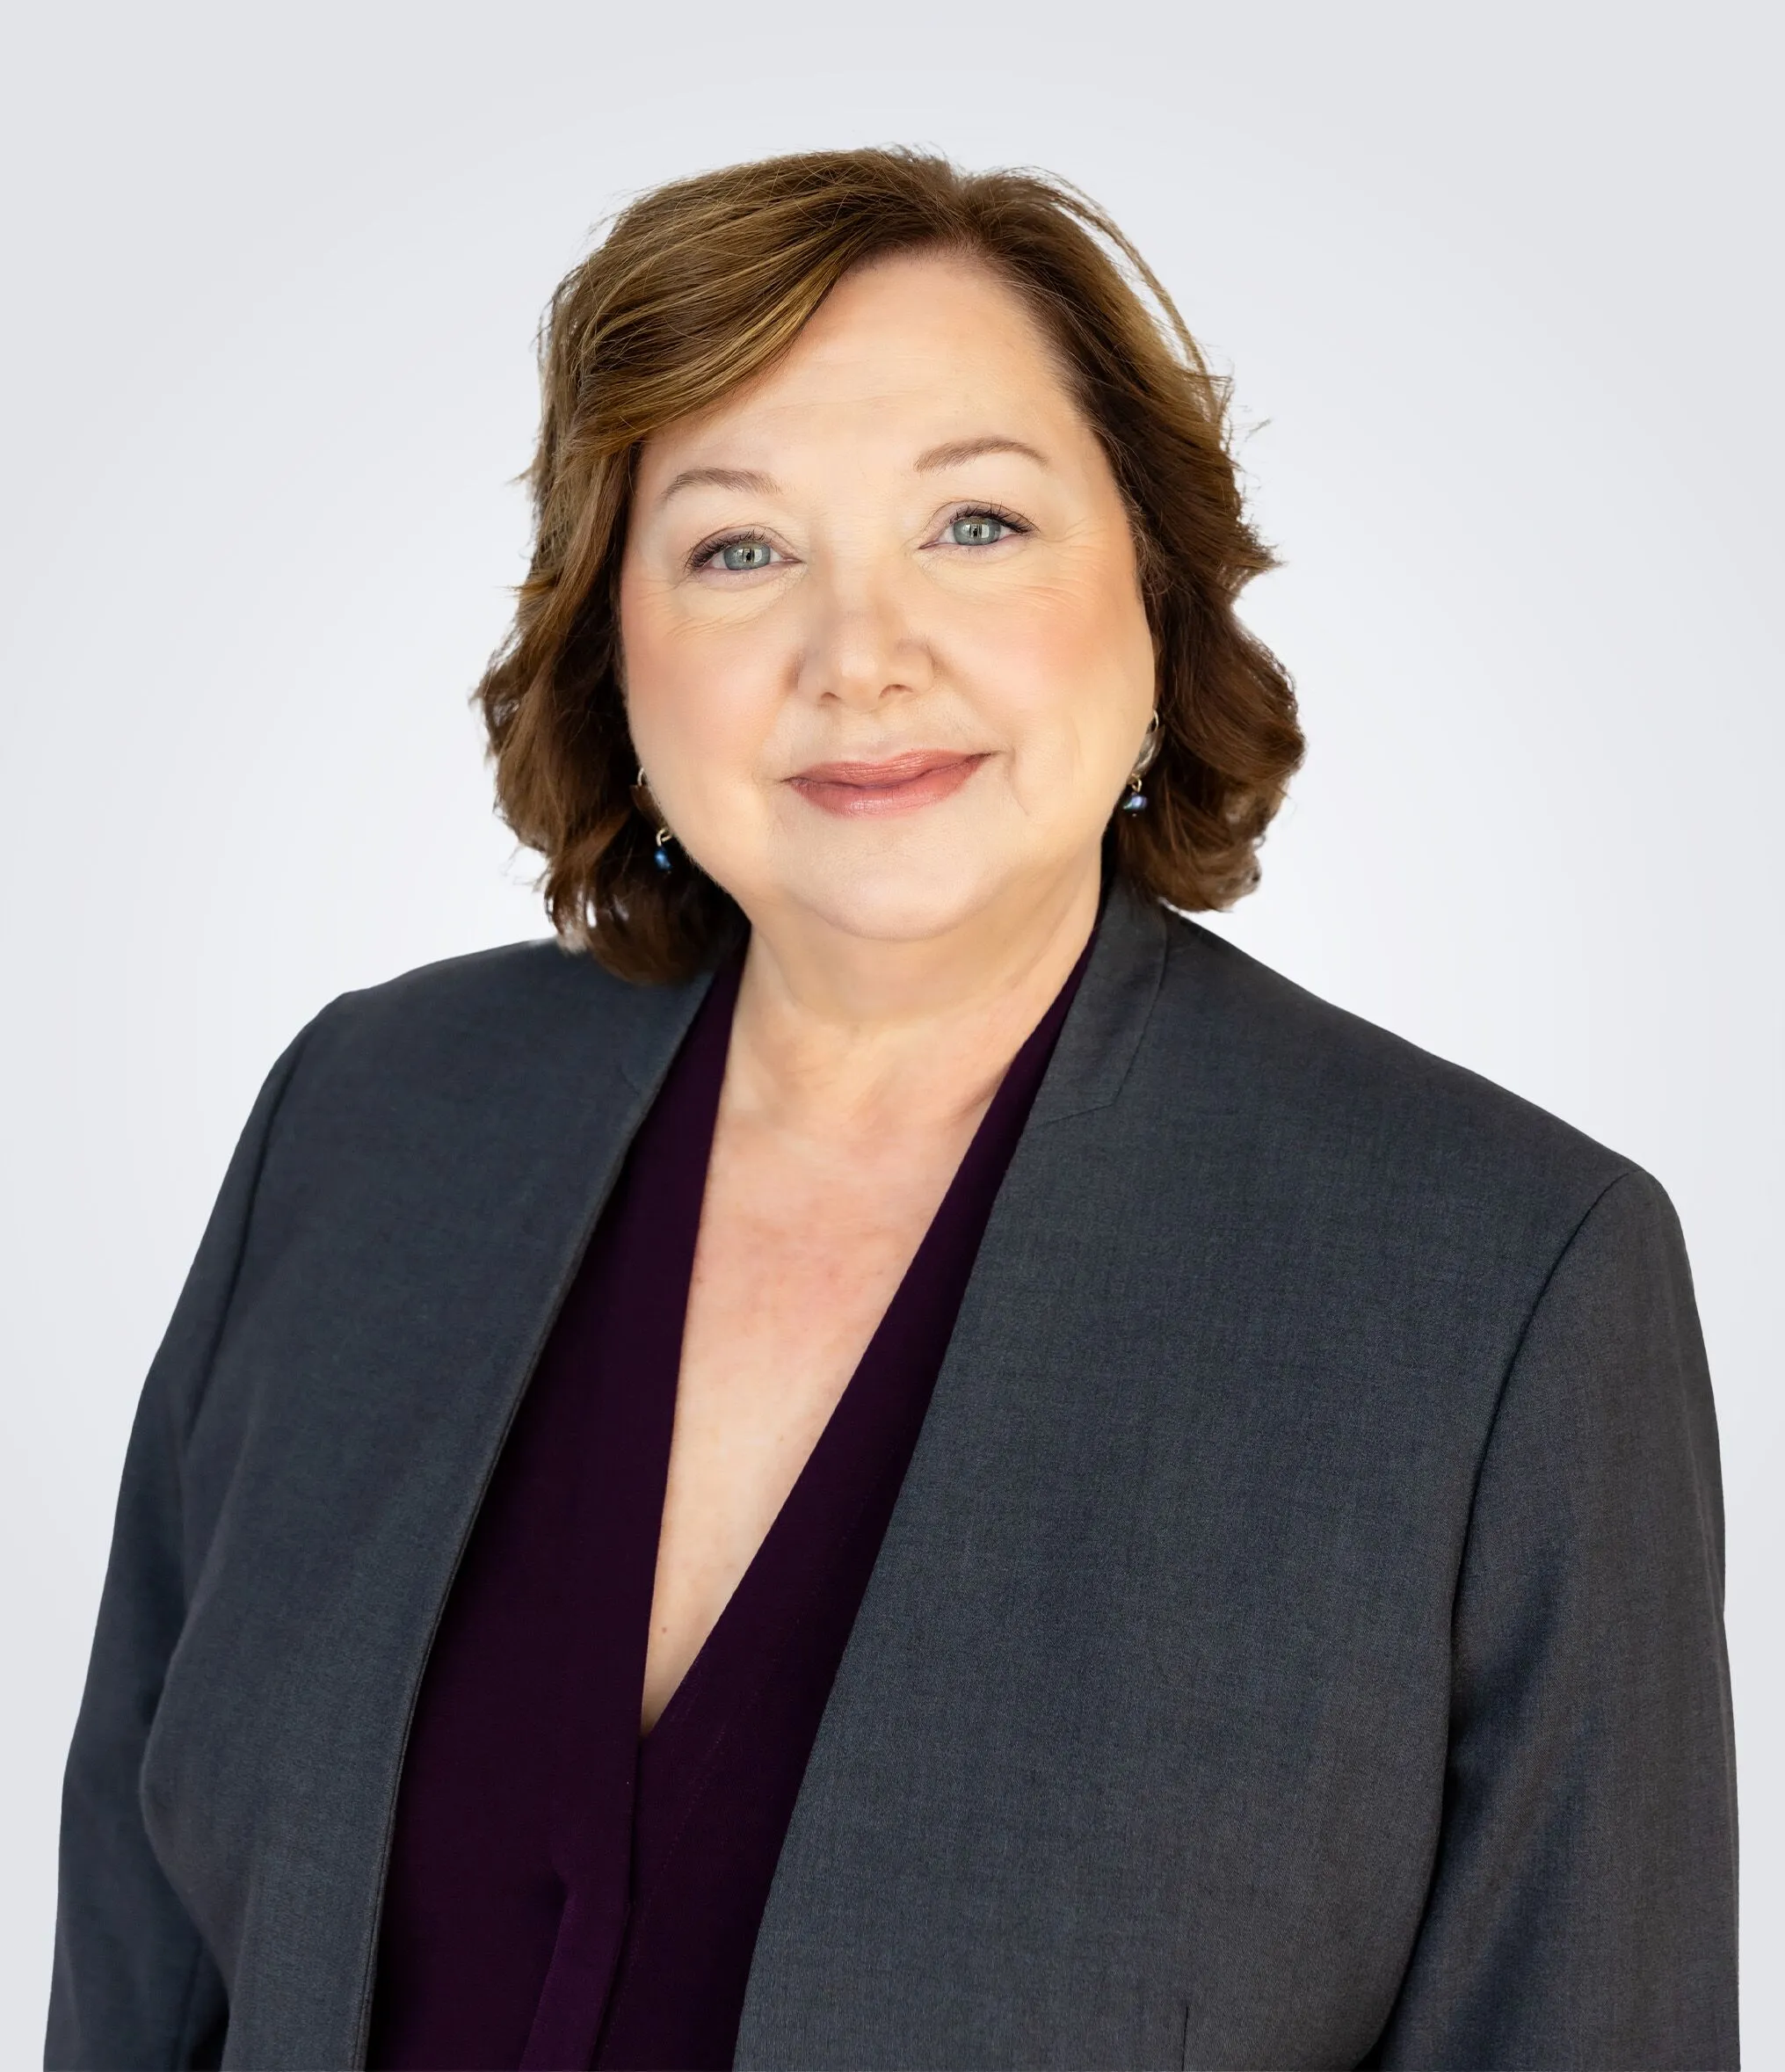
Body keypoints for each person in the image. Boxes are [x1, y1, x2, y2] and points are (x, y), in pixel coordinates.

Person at [47, 149, 1737, 2072]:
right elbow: (137, 1972)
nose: (860, 655)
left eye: (975, 523)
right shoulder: (367, 1124)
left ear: (1155, 592)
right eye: (738, 548)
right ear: (612, 635)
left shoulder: (1498, 1284)